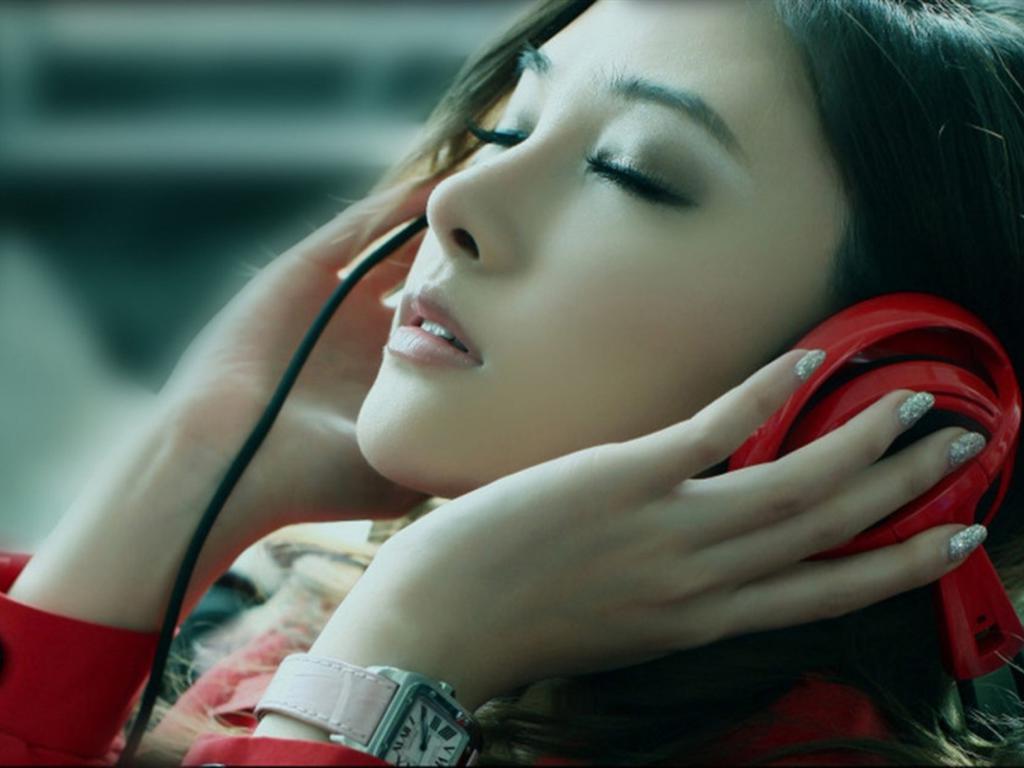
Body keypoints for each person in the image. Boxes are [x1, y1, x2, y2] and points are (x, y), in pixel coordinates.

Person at [2, 0, 1023, 764]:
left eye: (631, 171)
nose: (456, 197)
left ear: (884, 386)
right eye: (509, 128)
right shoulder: (292, 637)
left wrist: (389, 672)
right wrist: (187, 467)